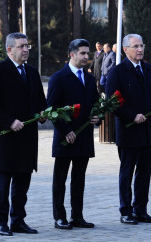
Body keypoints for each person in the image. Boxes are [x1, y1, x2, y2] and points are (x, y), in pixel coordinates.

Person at [0, 33, 47, 236]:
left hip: (27, 138)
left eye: (27, 46)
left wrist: (43, 113)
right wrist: (9, 121)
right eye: (21, 46)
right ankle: (0, 223)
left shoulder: (33, 73)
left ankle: (18, 220)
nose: (26, 50)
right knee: (2, 184)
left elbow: (40, 101)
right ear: (10, 49)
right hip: (6, 137)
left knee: (22, 184)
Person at [105, 34, 151, 225]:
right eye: (135, 46)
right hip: (129, 131)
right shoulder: (118, 72)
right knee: (127, 172)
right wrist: (132, 116)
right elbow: (112, 103)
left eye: (142, 45)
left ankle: (141, 210)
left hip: (147, 130)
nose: (140, 49)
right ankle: (126, 211)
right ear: (125, 50)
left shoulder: (149, 69)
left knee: (144, 172)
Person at [47, 39, 100, 230]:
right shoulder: (58, 78)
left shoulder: (89, 78)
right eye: (83, 53)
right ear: (72, 54)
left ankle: (77, 216)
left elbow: (95, 105)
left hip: (84, 137)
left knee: (79, 179)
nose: (87, 57)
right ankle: (59, 217)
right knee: (60, 179)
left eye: (88, 53)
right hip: (65, 138)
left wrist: (97, 117)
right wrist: (66, 131)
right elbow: (51, 109)